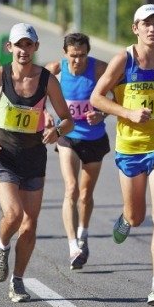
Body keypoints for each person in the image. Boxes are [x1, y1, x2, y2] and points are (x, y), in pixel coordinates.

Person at [90, 4, 154, 307]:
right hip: (130, 148)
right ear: (135, 28)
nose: (152, 29)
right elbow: (97, 97)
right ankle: (126, 217)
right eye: (145, 24)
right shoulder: (122, 61)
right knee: (137, 216)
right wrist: (127, 113)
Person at [0, 23, 74, 303]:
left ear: (35, 47)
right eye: (18, 45)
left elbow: (67, 119)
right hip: (4, 157)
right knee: (13, 215)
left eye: (29, 45)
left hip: (34, 157)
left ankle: (18, 280)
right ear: (9, 48)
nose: (23, 50)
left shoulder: (48, 80)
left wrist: (57, 131)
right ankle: (1, 246)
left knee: (29, 225)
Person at [44, 33, 110, 270]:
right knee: (71, 188)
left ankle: (83, 232)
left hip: (94, 138)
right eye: (73, 56)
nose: (77, 61)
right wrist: (44, 113)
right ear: (65, 54)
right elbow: (35, 92)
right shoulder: (54, 69)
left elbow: (117, 96)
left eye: (82, 56)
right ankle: (73, 246)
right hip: (67, 137)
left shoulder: (100, 69)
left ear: (88, 54)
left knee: (85, 194)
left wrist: (102, 113)